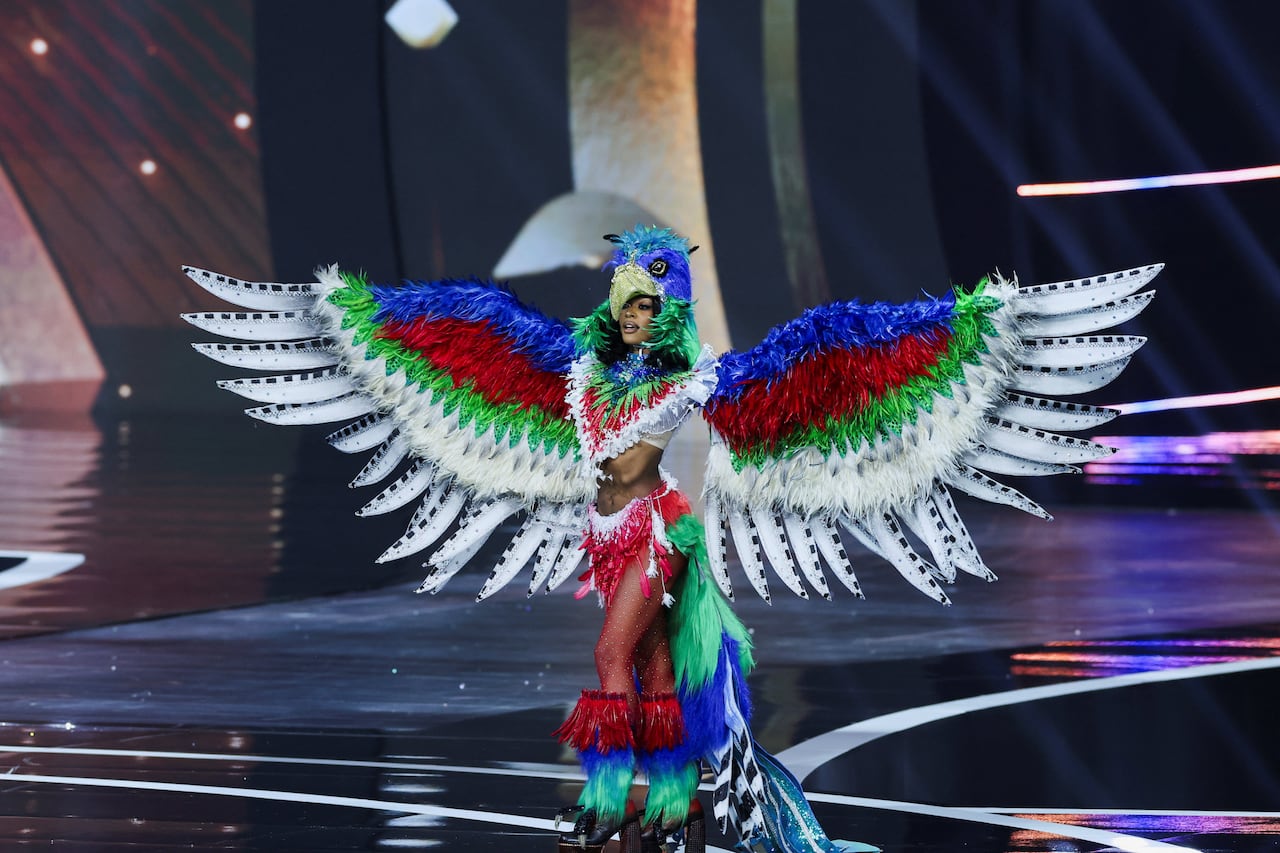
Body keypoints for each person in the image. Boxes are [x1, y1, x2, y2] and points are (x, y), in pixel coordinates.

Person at [183, 224, 1156, 853]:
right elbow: (556, 411)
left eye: (649, 291)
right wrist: (367, 321)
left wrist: (982, 328)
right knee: (647, 667)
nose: (632, 302)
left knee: (616, 652)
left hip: (659, 530)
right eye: (623, 289)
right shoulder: (579, 370)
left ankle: (616, 797)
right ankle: (673, 795)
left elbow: (649, 438)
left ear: (670, 303)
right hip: (607, 530)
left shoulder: (689, 383)